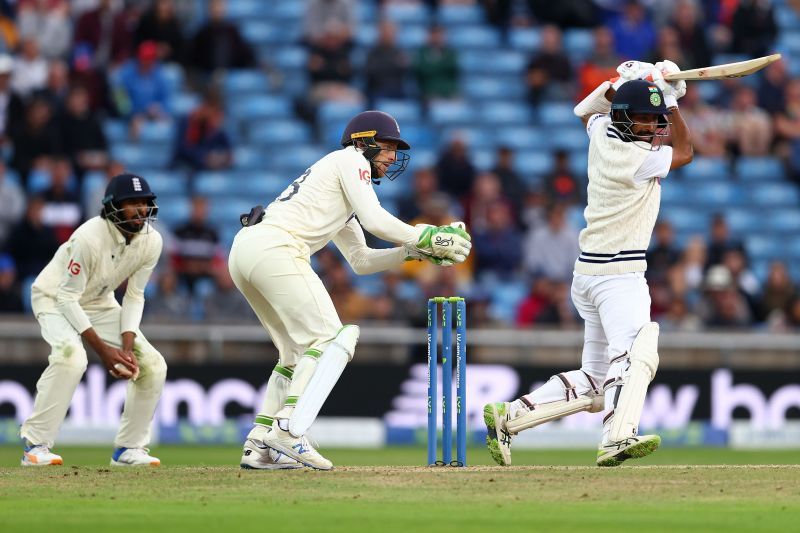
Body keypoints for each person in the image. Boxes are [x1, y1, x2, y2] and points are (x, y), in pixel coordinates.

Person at [228, 110, 472, 470]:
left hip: (246, 251)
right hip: (276, 248)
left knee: (294, 355)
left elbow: (360, 260)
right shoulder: (351, 160)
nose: (392, 157)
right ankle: (288, 433)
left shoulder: (338, 183)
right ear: (363, 142)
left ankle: (259, 444)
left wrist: (414, 251)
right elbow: (377, 221)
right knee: (331, 339)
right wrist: (428, 235)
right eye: (387, 147)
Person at [484, 60, 693, 467]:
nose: (654, 128)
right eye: (647, 120)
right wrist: (671, 101)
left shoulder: (600, 133)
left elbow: (586, 109)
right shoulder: (638, 161)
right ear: (628, 120)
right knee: (635, 354)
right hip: (619, 275)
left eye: (656, 121)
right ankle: (618, 437)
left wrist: (624, 81)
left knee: (597, 382)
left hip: (589, 274)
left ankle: (510, 416)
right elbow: (686, 151)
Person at [19, 173, 167, 467]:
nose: (140, 210)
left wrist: (126, 347)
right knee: (71, 358)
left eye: (144, 203)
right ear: (112, 207)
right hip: (54, 297)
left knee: (152, 364)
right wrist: (104, 352)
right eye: (131, 203)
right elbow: (67, 298)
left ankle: (129, 449)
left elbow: (134, 296)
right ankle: (35, 446)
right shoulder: (89, 237)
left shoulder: (152, 242)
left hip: (98, 302)